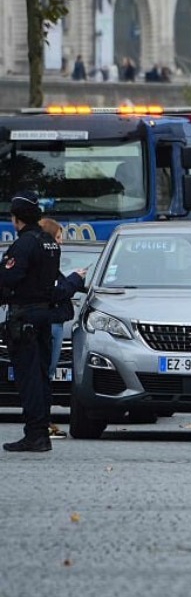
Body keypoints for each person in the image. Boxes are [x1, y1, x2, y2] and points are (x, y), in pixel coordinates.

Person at [1, 193, 62, 453]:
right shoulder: (49, 241)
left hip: (25, 317)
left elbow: (8, 279)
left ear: (16, 219)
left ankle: (35, 435)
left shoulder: (24, 245)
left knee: (30, 380)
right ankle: (41, 432)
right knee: (41, 376)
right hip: (44, 317)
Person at [38, 218, 87, 437]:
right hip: (51, 324)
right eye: (59, 238)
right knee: (44, 374)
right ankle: (42, 423)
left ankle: (43, 422)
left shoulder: (46, 262)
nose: (61, 244)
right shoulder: (45, 263)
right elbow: (56, 293)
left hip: (53, 323)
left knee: (44, 374)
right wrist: (75, 278)